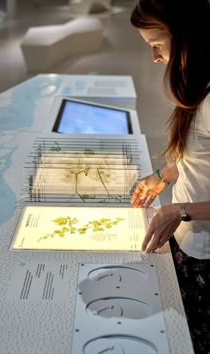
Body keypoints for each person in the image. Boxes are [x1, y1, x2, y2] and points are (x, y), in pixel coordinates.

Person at [130, 0, 210, 353]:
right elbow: (201, 157)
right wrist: (162, 176)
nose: (154, 57)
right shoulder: (199, 86)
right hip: (190, 240)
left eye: (156, 45)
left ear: (184, 37)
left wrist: (180, 211)